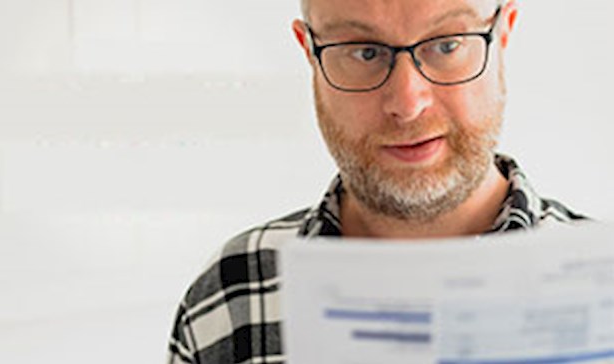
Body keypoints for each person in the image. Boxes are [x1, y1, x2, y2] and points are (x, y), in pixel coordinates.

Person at [166, 0, 585, 362]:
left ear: (504, 35)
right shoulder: (229, 296)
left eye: (447, 45)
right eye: (365, 53)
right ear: (310, 53)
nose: (407, 103)